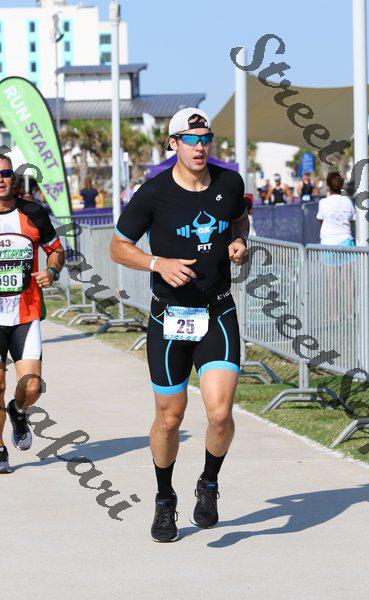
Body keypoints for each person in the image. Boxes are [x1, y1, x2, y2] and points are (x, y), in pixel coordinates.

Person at [110, 108, 249, 542]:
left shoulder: (230, 183)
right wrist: (158, 263)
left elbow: (239, 218)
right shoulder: (153, 193)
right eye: (190, 139)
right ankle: (164, 498)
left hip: (218, 311)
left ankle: (208, 484)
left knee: (220, 414)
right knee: (170, 419)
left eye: (205, 138)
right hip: (169, 317)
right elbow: (118, 247)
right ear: (173, 144)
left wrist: (239, 240)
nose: (199, 146)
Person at [0, 154, 64, 474]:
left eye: (4, 173)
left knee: (32, 387)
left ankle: (18, 411)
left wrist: (52, 272)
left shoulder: (33, 213)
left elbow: (56, 251)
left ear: (13, 177)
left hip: (25, 313)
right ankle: (0, 449)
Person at [316, 171, 356, 246]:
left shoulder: (323, 202)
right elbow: (352, 220)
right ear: (341, 185)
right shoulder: (348, 202)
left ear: (328, 185)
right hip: (346, 242)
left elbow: (321, 220)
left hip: (327, 243)